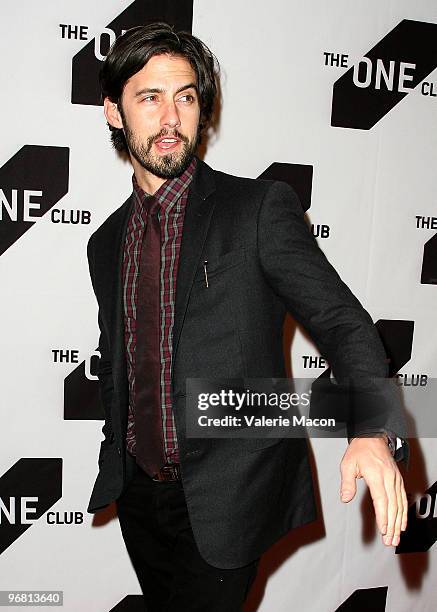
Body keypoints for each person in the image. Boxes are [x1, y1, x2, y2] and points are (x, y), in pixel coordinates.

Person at [86, 22, 408, 612]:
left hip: (230, 493)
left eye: (185, 97)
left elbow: (342, 321)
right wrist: (118, 457)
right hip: (137, 494)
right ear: (114, 111)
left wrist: (370, 426)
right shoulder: (105, 242)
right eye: (149, 97)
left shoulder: (256, 209)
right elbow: (119, 362)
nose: (171, 117)